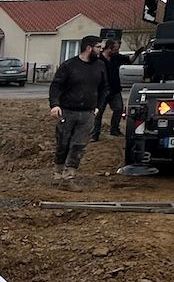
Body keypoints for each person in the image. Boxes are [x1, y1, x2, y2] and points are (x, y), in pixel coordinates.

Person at [48, 34, 104, 181]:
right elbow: (56, 86)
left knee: (79, 145)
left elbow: (105, 88)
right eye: (98, 47)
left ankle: (68, 177)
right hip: (67, 112)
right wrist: (55, 105)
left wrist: (99, 106)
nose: (100, 50)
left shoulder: (100, 66)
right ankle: (57, 173)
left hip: (87, 114)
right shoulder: (69, 66)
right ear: (89, 48)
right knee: (63, 143)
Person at [92, 35, 126, 141]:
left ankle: (114, 130)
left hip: (115, 89)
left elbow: (129, 60)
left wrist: (138, 53)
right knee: (98, 113)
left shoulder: (116, 57)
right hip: (101, 90)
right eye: (115, 49)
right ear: (109, 48)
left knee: (119, 109)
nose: (117, 51)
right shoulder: (97, 59)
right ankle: (94, 134)